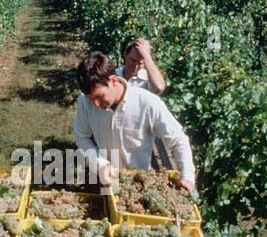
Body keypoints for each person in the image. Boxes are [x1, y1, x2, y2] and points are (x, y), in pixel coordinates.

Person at [72, 51, 195, 192]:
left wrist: (187, 176)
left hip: (138, 184)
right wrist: (100, 164)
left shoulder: (147, 103)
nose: (96, 104)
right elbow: (82, 137)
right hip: (102, 181)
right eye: (90, 98)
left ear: (113, 80)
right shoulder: (84, 101)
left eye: (99, 97)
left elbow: (178, 140)